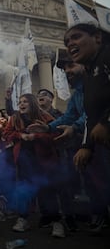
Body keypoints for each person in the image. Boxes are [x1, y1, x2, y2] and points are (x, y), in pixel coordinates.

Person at [28, 58, 86, 232]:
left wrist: (72, 128)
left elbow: (88, 114)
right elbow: (70, 117)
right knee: (45, 187)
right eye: (39, 97)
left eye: (71, 66)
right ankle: (50, 217)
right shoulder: (77, 94)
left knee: (63, 187)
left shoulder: (96, 87)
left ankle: (69, 218)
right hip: (41, 159)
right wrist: (47, 127)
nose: (68, 71)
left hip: (60, 155)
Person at [64, 23, 110, 232]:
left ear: (98, 38)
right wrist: (87, 147)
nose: (70, 44)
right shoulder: (90, 74)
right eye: (66, 42)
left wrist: (106, 122)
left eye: (76, 37)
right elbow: (92, 116)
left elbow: (97, 119)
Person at [3, 93, 65, 238]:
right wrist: (20, 136)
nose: (21, 104)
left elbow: (56, 135)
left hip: (44, 161)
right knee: (24, 191)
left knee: (48, 191)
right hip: (24, 161)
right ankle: (23, 219)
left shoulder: (45, 117)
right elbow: (7, 134)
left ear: (32, 103)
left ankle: (57, 222)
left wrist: (35, 136)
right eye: (19, 102)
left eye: (25, 101)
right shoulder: (15, 118)